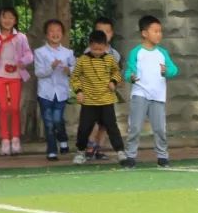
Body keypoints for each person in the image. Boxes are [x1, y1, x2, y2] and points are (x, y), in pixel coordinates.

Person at [124, 14, 179, 168]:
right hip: (140, 94)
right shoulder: (136, 52)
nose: (159, 34)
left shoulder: (162, 53)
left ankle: (162, 156)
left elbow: (174, 70)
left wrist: (166, 71)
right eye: (155, 31)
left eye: (160, 31)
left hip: (158, 96)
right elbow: (128, 72)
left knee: (160, 128)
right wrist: (131, 77)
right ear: (144, 33)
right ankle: (130, 156)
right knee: (135, 127)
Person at [71, 30, 131, 167]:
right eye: (94, 49)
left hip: (106, 101)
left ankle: (121, 152)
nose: (97, 51)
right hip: (89, 102)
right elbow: (74, 78)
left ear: (105, 46)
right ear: (90, 45)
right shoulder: (82, 60)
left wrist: (113, 82)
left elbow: (117, 72)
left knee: (112, 127)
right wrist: (78, 91)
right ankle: (80, 152)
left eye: (100, 49)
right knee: (84, 128)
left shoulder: (110, 59)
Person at [33, 19, 75, 160]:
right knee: (49, 122)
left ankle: (63, 140)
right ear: (46, 34)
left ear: (62, 34)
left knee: (57, 120)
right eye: (52, 31)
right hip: (45, 93)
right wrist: (51, 67)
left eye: (58, 31)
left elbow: (75, 69)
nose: (55, 33)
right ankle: (51, 150)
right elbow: (38, 72)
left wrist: (68, 69)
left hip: (61, 93)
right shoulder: (40, 52)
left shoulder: (68, 52)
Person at [0, 7, 33, 156]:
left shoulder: (21, 37)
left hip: (16, 76)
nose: (7, 20)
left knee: (15, 108)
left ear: (15, 20)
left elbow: (29, 54)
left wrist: (23, 61)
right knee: (4, 108)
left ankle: (16, 139)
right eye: (4, 17)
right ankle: (5, 140)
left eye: (11, 18)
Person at [84, 16, 121, 159]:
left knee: (105, 123)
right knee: (92, 122)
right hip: (92, 94)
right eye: (100, 31)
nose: (104, 35)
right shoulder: (88, 52)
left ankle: (99, 148)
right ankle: (89, 145)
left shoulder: (115, 54)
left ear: (111, 34)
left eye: (107, 32)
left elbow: (116, 73)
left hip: (107, 94)